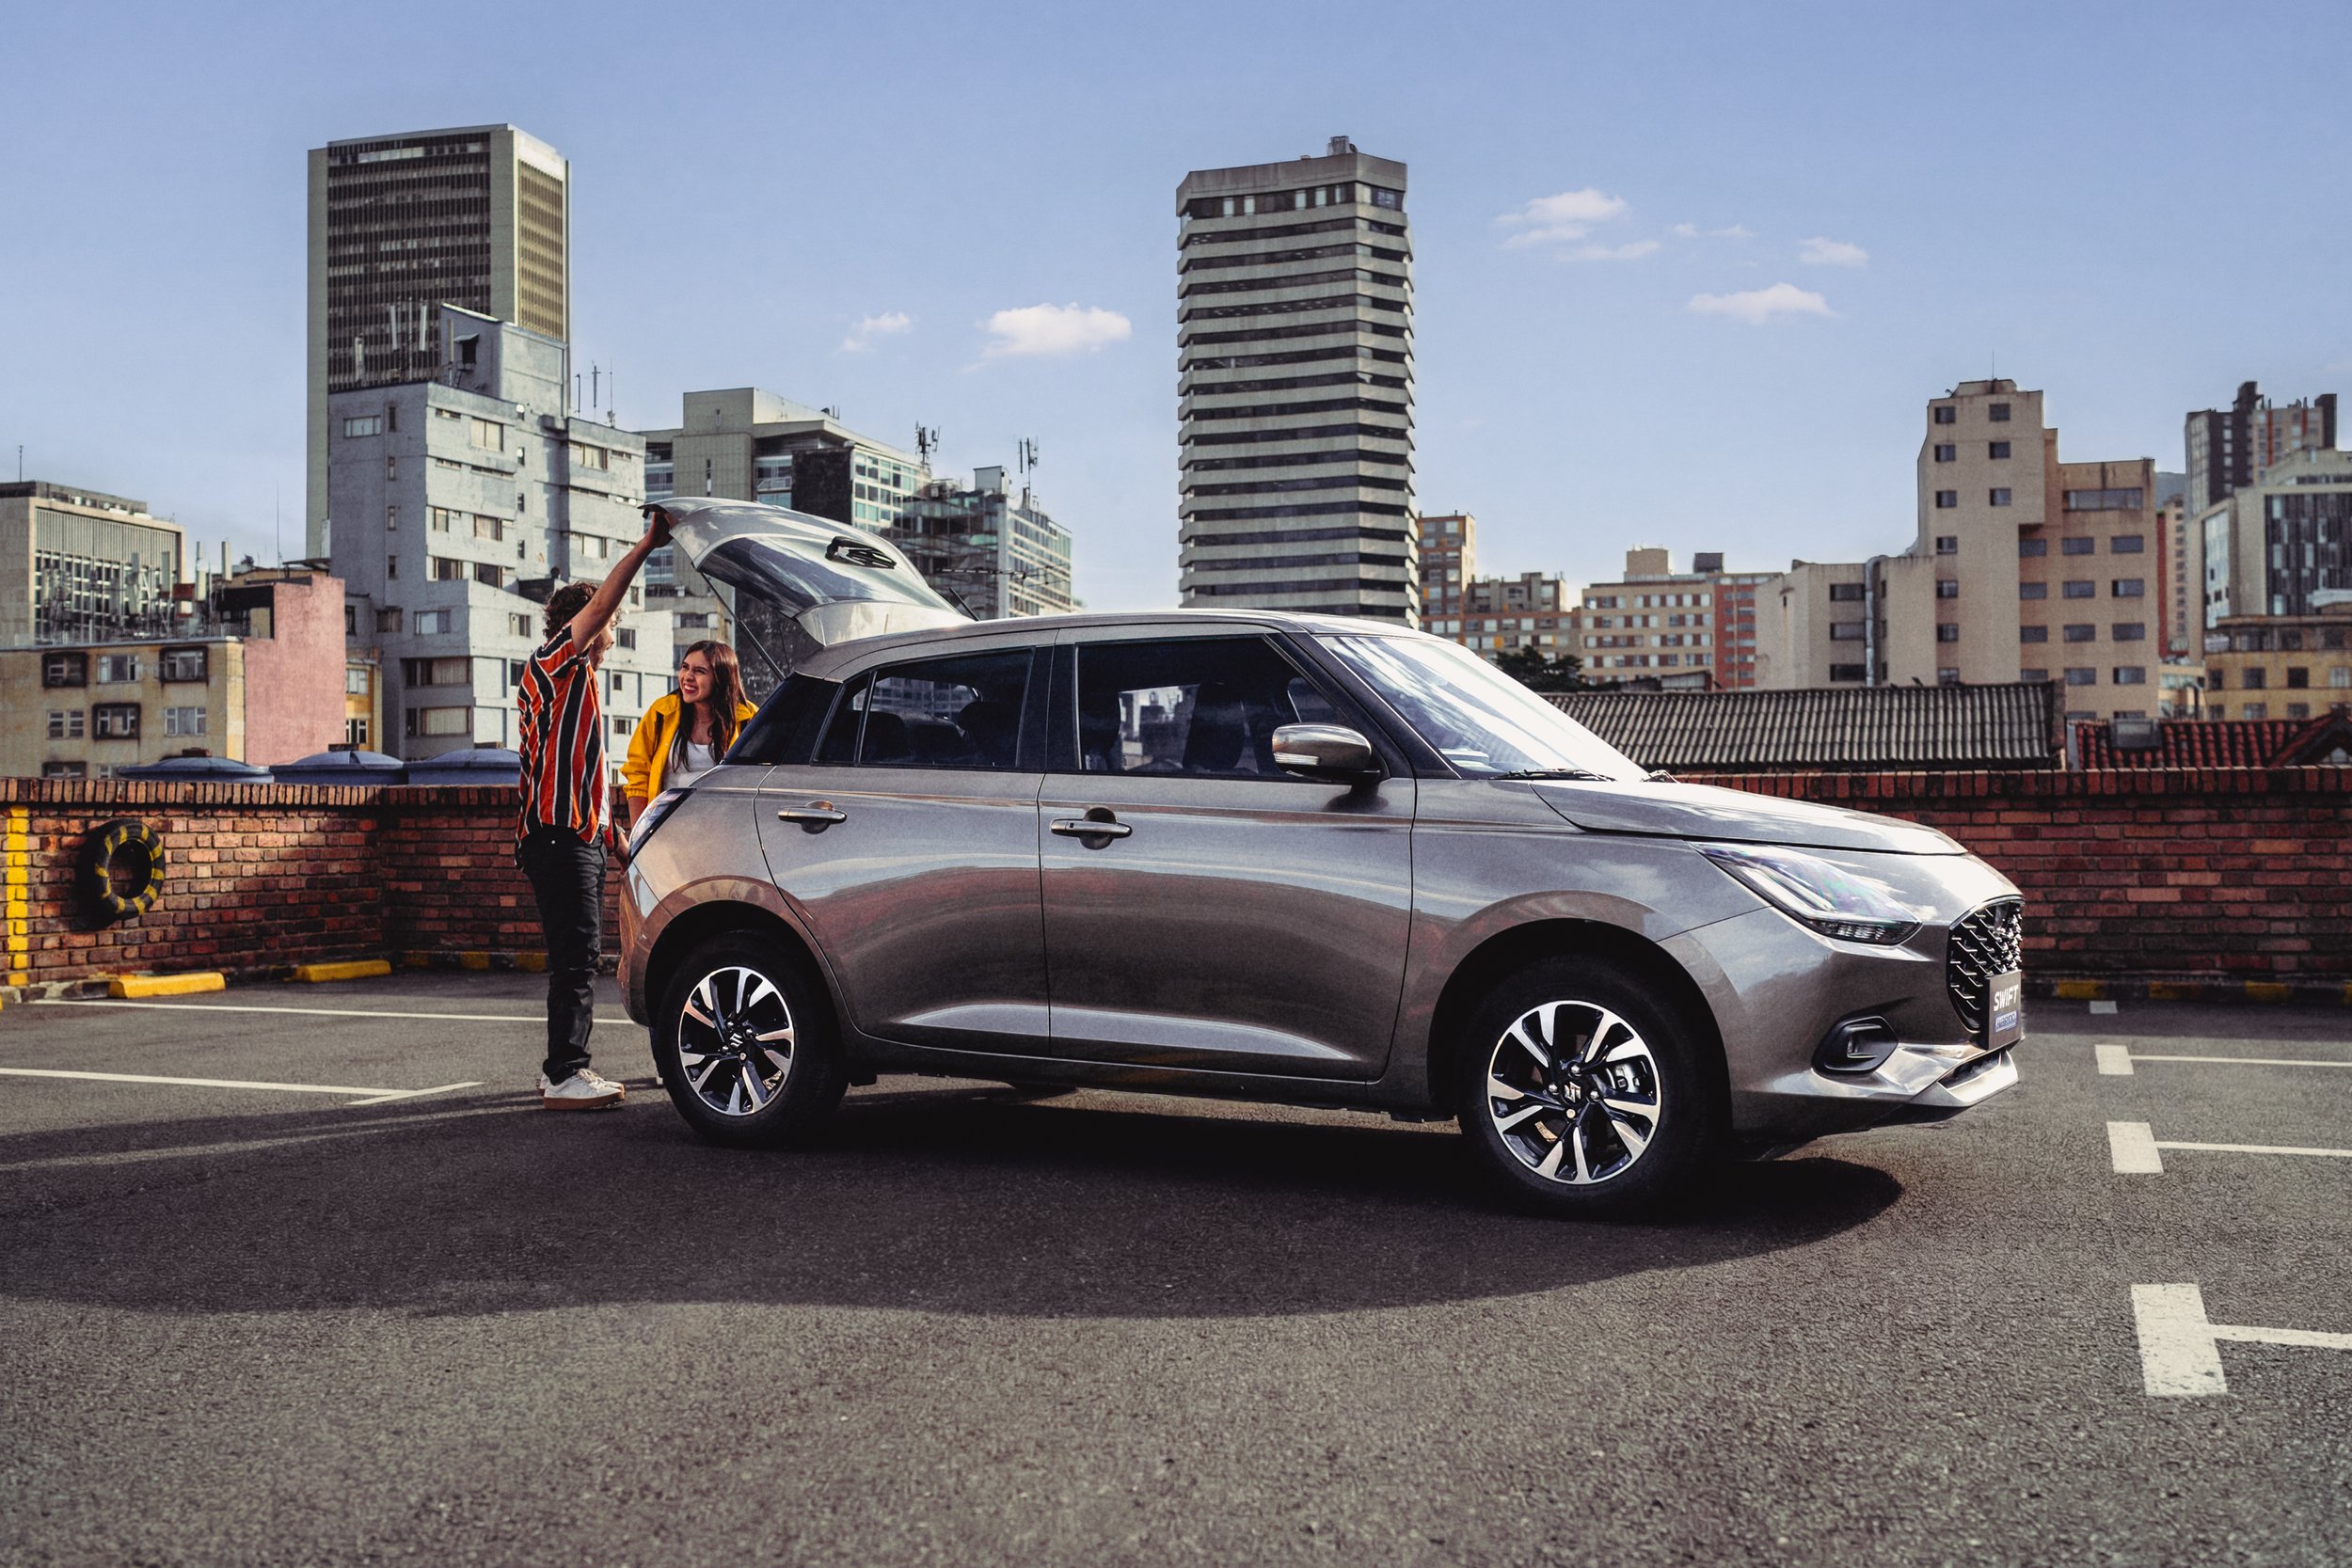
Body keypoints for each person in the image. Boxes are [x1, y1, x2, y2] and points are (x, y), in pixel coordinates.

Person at [516, 507, 669, 1111]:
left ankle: (560, 1069)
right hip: (557, 837)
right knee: (577, 959)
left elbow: (587, 779)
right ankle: (565, 1074)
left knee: (576, 958)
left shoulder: (580, 685)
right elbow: (604, 602)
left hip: (571, 835)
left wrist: (621, 843)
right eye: (608, 625)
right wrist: (649, 544)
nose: (612, 634)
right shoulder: (556, 663)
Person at [623, 640, 757, 826]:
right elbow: (638, 774)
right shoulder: (662, 712)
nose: (687, 676)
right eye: (685, 667)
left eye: (699, 671)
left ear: (721, 677)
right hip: (668, 829)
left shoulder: (749, 720)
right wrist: (640, 833)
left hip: (725, 830)